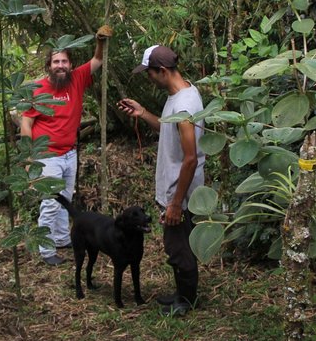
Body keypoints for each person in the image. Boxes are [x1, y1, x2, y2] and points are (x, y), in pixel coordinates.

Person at [118, 45, 205, 316]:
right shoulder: (180, 93)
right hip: (176, 187)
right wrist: (143, 113)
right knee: (177, 244)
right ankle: (181, 294)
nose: (149, 79)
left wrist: (176, 203)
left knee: (179, 247)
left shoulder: (185, 105)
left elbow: (190, 158)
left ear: (163, 71)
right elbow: (168, 126)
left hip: (181, 191)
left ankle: (186, 301)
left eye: (150, 73)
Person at [20, 29, 109, 266]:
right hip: (46, 155)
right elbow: (26, 123)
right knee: (50, 203)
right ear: (48, 65)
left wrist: (100, 42)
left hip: (69, 153)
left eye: (64, 61)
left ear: (71, 64)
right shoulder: (37, 89)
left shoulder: (77, 79)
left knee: (65, 199)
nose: (61, 65)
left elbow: (98, 60)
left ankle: (60, 239)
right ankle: (46, 249)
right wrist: (29, 158)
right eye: (56, 61)